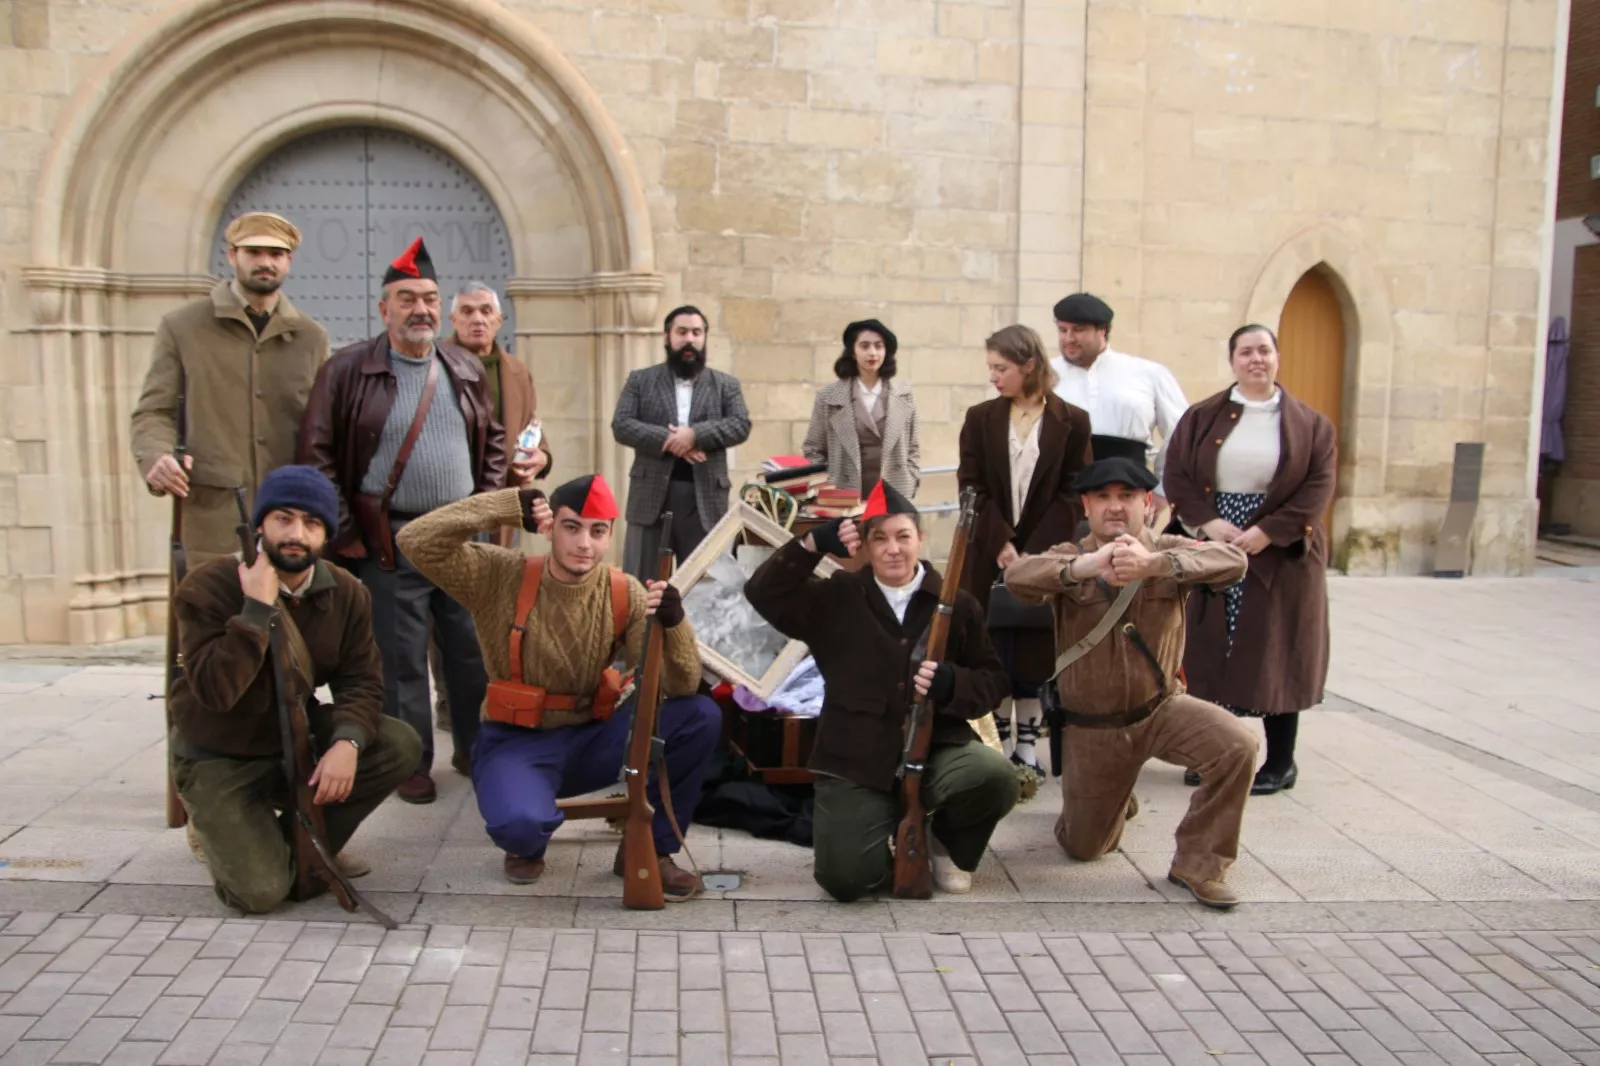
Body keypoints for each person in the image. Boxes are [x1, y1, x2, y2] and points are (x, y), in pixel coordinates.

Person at [395, 473, 721, 901]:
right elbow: (415, 540)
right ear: (549, 527)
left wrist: (676, 624)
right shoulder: (498, 574)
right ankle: (528, 830)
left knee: (700, 716)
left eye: (597, 530)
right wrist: (509, 505)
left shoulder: (626, 592)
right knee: (520, 826)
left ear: (609, 536)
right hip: (514, 740)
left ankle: (653, 849)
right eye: (572, 527)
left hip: (593, 737)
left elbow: (680, 687)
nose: (584, 543)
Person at [299, 238, 528, 804]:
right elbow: (318, 453)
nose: (421, 308)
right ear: (384, 309)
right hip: (389, 538)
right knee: (398, 657)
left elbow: (494, 440)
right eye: (407, 299)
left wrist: (485, 506)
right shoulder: (346, 370)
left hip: (458, 536)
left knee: (470, 649)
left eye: (429, 297)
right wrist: (347, 532)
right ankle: (411, 761)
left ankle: (478, 751)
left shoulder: (464, 365)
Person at [1004, 457, 1257, 909]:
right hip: (1094, 728)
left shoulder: (1168, 549)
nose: (1114, 507)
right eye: (1102, 497)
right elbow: (1017, 577)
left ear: (1148, 503)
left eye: (1126, 497)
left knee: (1237, 745)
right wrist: (1083, 568)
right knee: (1084, 848)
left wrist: (1155, 564)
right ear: (1086, 505)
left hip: (1162, 710)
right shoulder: (1069, 555)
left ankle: (1199, 866)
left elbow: (1233, 560)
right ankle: (1114, 798)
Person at [746, 481, 1015, 901]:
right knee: (847, 880)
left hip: (938, 748)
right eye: (880, 538)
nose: (893, 549)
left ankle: (948, 845)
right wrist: (813, 542)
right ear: (865, 547)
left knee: (995, 777)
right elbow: (763, 592)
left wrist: (952, 684)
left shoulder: (958, 605)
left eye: (903, 536)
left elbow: (993, 680)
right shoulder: (836, 596)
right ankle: (886, 831)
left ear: (920, 539)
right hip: (854, 758)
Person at [169, 465, 420, 914]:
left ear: (326, 535)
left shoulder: (346, 592)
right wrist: (254, 610)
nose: (296, 533)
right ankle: (234, 831)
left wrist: (347, 741)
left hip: (293, 741)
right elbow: (214, 693)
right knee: (261, 894)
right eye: (283, 518)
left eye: (311, 523)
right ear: (260, 524)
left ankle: (306, 843)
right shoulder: (207, 587)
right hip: (220, 754)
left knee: (399, 743)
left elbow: (361, 679)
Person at [1163, 324, 1337, 795]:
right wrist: (1208, 525)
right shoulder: (1201, 417)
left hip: (1279, 548)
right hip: (1215, 541)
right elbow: (1176, 474)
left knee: (1275, 650)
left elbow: (1318, 486)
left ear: (1277, 357)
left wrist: (1268, 532)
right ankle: (1210, 751)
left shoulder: (1312, 424)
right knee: (1206, 650)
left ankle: (1280, 762)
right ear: (1233, 360)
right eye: (1246, 352)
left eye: (1264, 350)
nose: (1255, 359)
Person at [132, 212, 329, 560]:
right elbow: (154, 411)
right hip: (213, 516)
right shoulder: (183, 327)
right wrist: (156, 456)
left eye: (276, 254)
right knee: (214, 610)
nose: (265, 262)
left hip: (289, 518)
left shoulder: (311, 338)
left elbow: (326, 427)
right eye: (254, 252)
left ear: (289, 261)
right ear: (232, 255)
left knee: (287, 614)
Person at [957, 325, 1093, 785]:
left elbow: (1075, 493)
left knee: (1035, 646)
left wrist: (1034, 556)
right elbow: (970, 485)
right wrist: (1001, 543)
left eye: (1002, 368)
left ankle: (1028, 746)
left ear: (1029, 365)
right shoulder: (980, 418)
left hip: (1046, 555)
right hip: (988, 555)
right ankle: (996, 741)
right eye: (991, 368)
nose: (994, 377)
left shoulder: (1073, 420)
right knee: (992, 644)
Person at [430, 282, 554, 731]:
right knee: (448, 606)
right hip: (449, 502)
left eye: (486, 311)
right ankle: (450, 699)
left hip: (502, 504)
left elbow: (533, 433)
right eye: (467, 311)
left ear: (500, 320)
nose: (477, 318)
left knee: (498, 598)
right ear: (453, 320)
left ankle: (492, 690)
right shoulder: (433, 363)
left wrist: (541, 458)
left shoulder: (517, 372)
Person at [612, 305, 751, 579]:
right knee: (641, 586)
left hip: (704, 501)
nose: (689, 339)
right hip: (650, 497)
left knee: (704, 590)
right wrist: (670, 440)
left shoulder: (725, 384)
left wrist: (695, 435)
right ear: (667, 337)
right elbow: (622, 425)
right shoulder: (641, 380)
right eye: (682, 332)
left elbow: (740, 424)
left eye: (696, 332)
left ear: (705, 338)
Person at [1048, 293, 1188, 521]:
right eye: (1063, 330)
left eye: (1078, 330)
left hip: (1127, 494)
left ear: (1102, 330)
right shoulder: (1044, 376)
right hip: (1059, 499)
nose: (1069, 338)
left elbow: (1181, 434)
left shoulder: (1148, 374)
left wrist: (1162, 490)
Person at [802, 318, 921, 499]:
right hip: (843, 493)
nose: (872, 353)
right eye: (864, 346)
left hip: (894, 492)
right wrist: (825, 487)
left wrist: (910, 480)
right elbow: (813, 449)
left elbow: (913, 448)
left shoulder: (904, 395)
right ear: (852, 351)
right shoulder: (828, 396)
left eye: (878, 346)